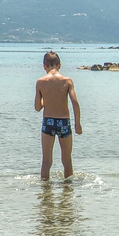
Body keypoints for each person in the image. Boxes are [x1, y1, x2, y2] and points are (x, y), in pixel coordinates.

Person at [34, 51, 82, 180]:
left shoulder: (40, 82)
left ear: (44, 66)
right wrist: (78, 124)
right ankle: (68, 193)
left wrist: (46, 100)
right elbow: (75, 103)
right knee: (66, 160)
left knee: (46, 161)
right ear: (59, 65)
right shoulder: (67, 81)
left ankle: (45, 193)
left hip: (48, 122)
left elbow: (38, 107)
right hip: (64, 122)